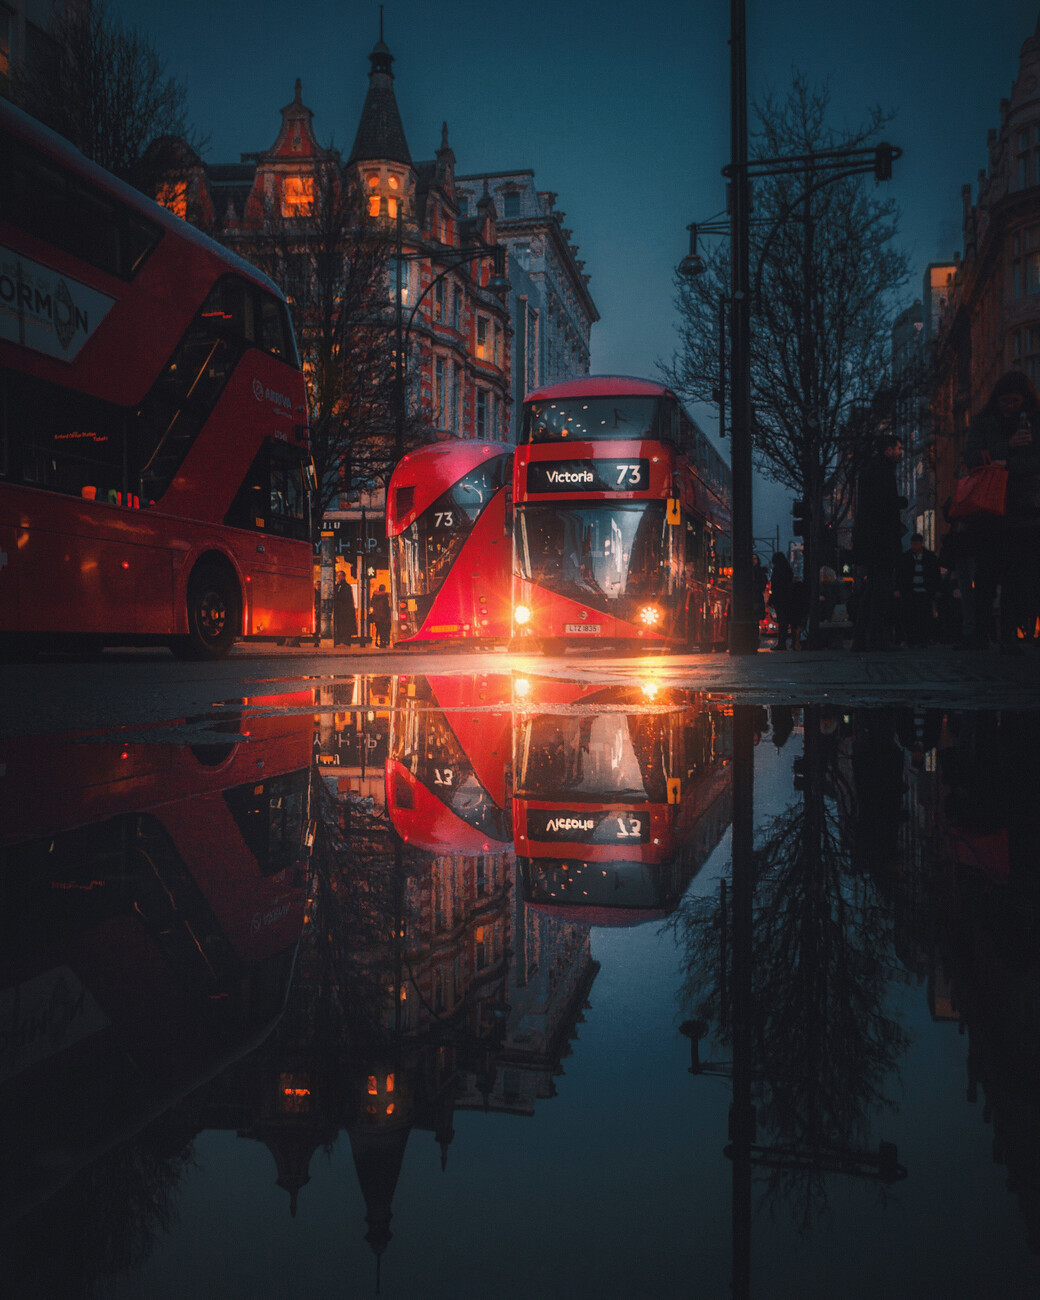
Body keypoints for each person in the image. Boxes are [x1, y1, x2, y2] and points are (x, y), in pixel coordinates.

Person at [963, 369, 1040, 653]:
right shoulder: (984, 422)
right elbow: (970, 457)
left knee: (1017, 576)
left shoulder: (1034, 421)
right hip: (989, 508)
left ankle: (1009, 633)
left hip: (1025, 510)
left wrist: (1007, 464)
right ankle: (981, 632)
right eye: (1006, 401)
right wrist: (1006, 447)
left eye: (1015, 401)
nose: (1011, 407)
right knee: (986, 574)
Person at [851, 435, 906, 651]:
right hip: (881, 541)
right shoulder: (882, 471)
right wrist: (898, 502)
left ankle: (863, 637)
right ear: (888, 450)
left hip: (872, 540)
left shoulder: (872, 469)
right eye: (898, 448)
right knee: (880, 589)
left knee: (872, 588)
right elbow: (881, 504)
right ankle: (874, 637)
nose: (901, 452)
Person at [895, 532, 942, 647]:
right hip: (911, 591)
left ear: (921, 544)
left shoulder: (928, 557)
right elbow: (899, 575)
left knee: (923, 617)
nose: (914, 547)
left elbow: (936, 574)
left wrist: (937, 589)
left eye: (916, 544)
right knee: (912, 617)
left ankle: (922, 639)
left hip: (923, 591)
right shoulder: (908, 557)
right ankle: (914, 639)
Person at [768, 552, 794, 650]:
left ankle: (781, 643)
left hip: (779, 598)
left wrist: (772, 599)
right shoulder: (788, 570)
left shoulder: (777, 571)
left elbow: (774, 586)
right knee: (784, 620)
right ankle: (784, 641)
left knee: (781, 620)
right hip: (786, 597)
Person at [333, 571, 356, 647]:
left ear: (343, 577)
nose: (338, 577)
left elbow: (345, 598)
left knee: (345, 627)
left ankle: (345, 642)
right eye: (337, 576)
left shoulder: (346, 587)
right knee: (339, 626)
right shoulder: (336, 586)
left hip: (345, 611)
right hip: (339, 611)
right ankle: (339, 641)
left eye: (340, 576)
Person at [370, 583, 392, 648]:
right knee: (385, 630)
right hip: (384, 616)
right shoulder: (386, 596)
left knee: (379, 629)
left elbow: (371, 604)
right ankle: (384, 641)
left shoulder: (374, 596)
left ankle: (379, 641)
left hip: (377, 616)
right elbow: (387, 606)